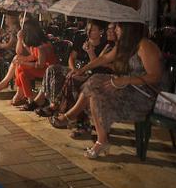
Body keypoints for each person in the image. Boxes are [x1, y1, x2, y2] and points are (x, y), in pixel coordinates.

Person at [60, 22, 163, 158]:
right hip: (128, 87)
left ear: (128, 28)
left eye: (118, 27)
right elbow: (104, 59)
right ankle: (101, 140)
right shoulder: (125, 45)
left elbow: (155, 77)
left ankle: (76, 120)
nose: (115, 30)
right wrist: (82, 69)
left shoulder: (145, 45)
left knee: (96, 93)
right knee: (95, 82)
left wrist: (126, 80)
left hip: (143, 95)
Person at [10, 19, 57, 106]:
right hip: (41, 67)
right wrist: (22, 59)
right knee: (21, 74)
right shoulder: (35, 43)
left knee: (21, 67)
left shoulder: (41, 46)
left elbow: (40, 65)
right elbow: (33, 56)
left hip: (48, 70)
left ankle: (23, 95)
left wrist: (23, 63)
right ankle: (29, 99)